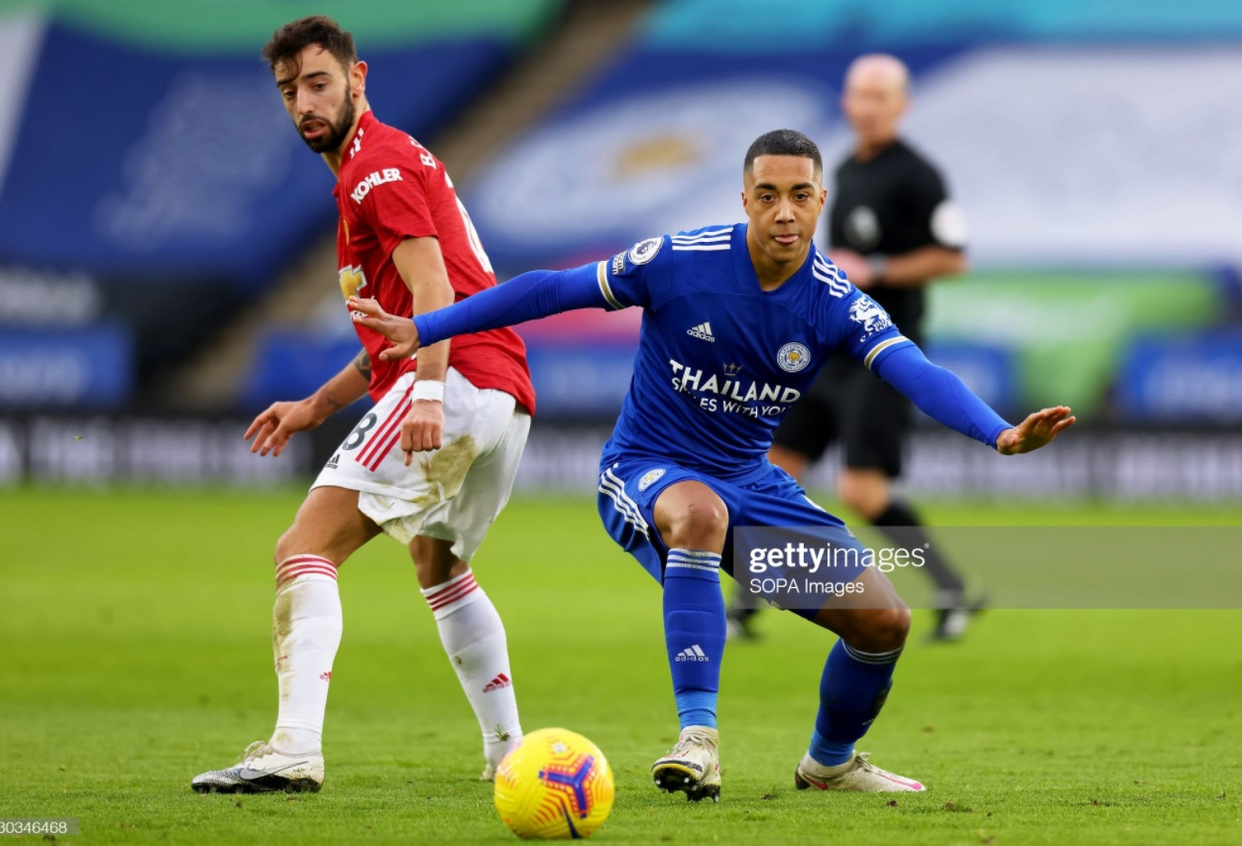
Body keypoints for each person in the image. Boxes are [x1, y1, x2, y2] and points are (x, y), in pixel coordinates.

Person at [348, 128, 1074, 801]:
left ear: (822, 201)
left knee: (882, 620)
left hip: (752, 486)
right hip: (646, 469)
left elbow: (914, 371)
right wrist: (424, 327)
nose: (784, 212)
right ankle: (698, 739)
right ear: (745, 200)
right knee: (699, 512)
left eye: (799, 195)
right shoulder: (679, 263)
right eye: (767, 195)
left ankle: (829, 764)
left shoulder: (834, 304)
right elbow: (547, 291)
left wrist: (999, 434)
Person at [191, 16, 536, 794]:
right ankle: (510, 756)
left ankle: (293, 748)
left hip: (453, 386)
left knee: (302, 549)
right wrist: (319, 403)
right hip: (503, 400)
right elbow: (395, 326)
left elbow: (433, 295)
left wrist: (425, 389)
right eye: (289, 91)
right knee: (437, 561)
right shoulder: (385, 165)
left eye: (318, 83)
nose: (304, 103)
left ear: (358, 78)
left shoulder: (373, 169)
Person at [730, 54, 978, 643]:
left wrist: (879, 267)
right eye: (858, 95)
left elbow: (953, 258)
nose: (865, 107)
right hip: (828, 350)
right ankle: (752, 601)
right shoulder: (841, 169)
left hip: (882, 353)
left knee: (861, 491)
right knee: (770, 471)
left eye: (878, 97)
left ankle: (950, 588)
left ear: (901, 104)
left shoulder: (920, 176)